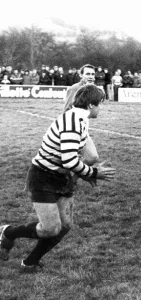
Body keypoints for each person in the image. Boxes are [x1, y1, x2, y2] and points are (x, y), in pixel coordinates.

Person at [0, 85, 116, 270]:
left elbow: (72, 160)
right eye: (100, 104)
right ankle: (8, 232)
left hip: (61, 178)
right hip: (43, 176)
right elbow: (69, 160)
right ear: (91, 105)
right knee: (50, 228)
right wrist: (93, 173)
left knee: (65, 225)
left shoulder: (80, 119)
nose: (101, 108)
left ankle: (29, 262)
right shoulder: (72, 122)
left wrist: (84, 174)